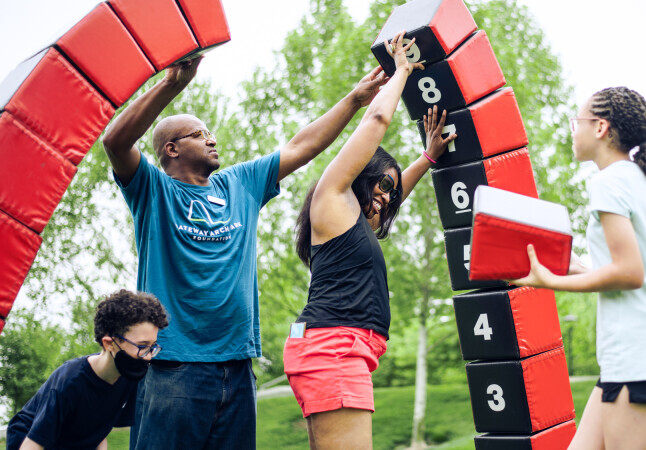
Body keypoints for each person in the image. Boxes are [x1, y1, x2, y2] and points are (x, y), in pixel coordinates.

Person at [100, 55, 388, 449]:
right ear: (171, 149)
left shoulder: (240, 184)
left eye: (209, 133)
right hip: (173, 367)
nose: (212, 139)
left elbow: (301, 146)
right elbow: (114, 142)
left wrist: (354, 99)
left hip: (236, 368)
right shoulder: (152, 189)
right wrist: (173, 84)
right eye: (199, 135)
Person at [283, 32, 454, 449]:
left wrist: (428, 158)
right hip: (334, 348)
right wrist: (401, 72)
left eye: (390, 193)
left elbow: (395, 194)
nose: (385, 196)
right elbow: (376, 122)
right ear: (360, 175)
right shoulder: (333, 197)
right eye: (380, 184)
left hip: (340, 347)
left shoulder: (354, 221)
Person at [511, 87, 646, 449]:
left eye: (576, 122)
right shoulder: (636, 180)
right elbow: (632, 267)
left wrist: (553, 281)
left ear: (600, 128)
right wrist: (578, 269)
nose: (572, 130)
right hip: (635, 351)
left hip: (641, 349)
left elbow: (630, 273)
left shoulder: (609, 182)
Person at [5, 290, 168, 450]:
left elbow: (98, 430)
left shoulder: (129, 377)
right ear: (109, 343)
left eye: (152, 346)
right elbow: (32, 445)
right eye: (142, 346)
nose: (148, 357)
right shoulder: (69, 384)